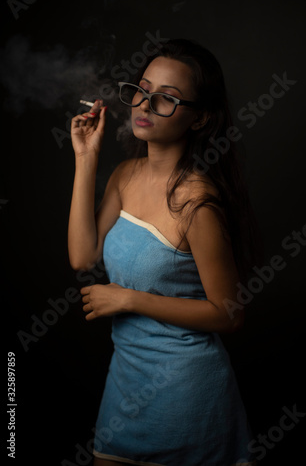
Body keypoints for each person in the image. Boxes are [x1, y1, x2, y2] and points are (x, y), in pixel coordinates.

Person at [68, 39, 260, 466]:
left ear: (200, 117)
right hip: (125, 384)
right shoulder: (124, 174)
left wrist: (130, 299)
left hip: (187, 393)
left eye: (166, 99)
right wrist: (86, 159)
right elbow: (83, 258)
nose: (146, 104)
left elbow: (230, 314)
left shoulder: (197, 203)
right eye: (141, 89)